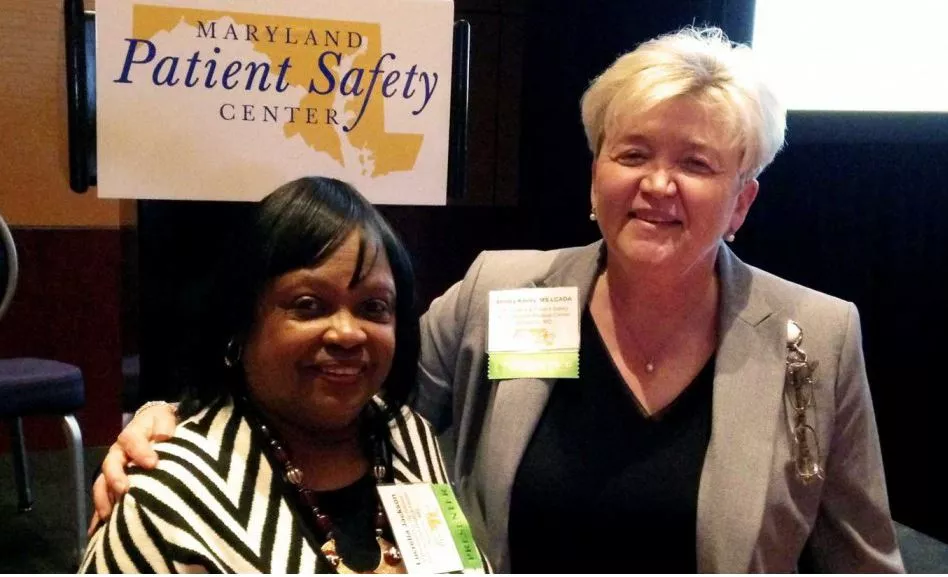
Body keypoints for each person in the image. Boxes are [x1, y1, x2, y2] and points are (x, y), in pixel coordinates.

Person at [93, 27, 904, 572]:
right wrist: (176, 420)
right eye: (632, 152)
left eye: (696, 162)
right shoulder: (502, 293)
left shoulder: (817, 335)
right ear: (595, 177)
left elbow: (861, 558)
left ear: (741, 202)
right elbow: (345, 388)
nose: (658, 184)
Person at [81, 177, 482, 573]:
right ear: (241, 320)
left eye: (374, 307)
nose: (347, 333)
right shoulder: (159, 502)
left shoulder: (407, 435)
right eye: (309, 305)